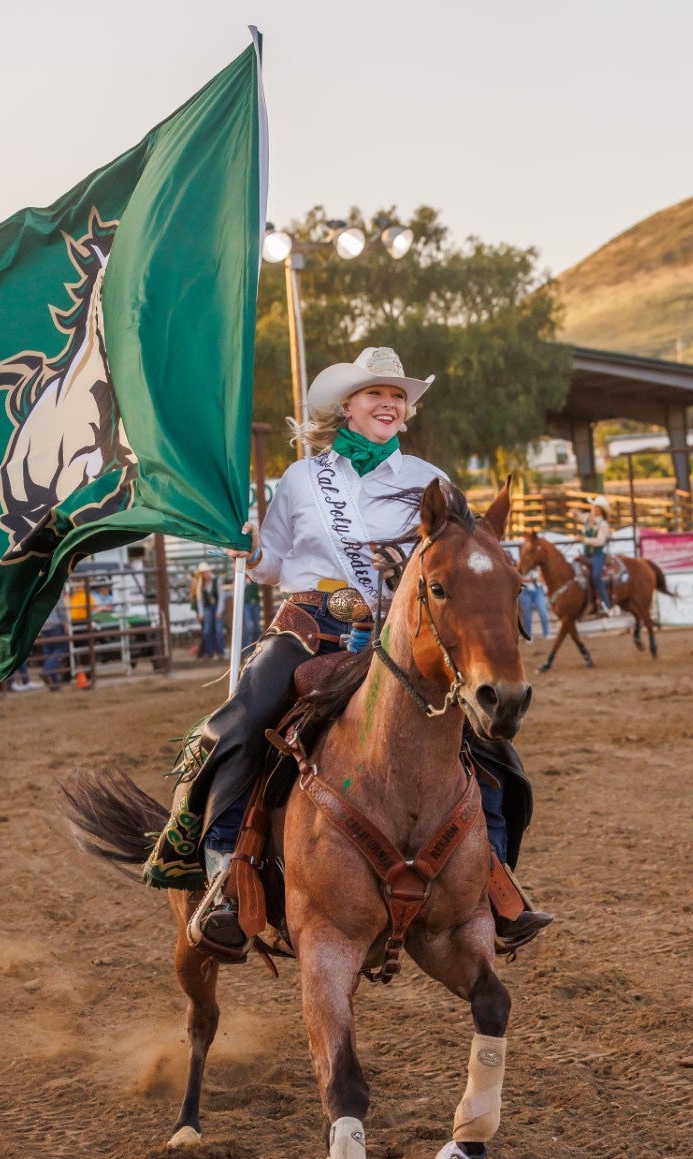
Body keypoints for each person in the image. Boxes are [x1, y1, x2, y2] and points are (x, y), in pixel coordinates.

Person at [144, 347, 549, 954]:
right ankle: (224, 871)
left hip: (402, 638)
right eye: (374, 394)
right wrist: (246, 547)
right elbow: (270, 565)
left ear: (405, 414)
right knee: (243, 719)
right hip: (310, 626)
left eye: (396, 397)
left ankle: (493, 883)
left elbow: (465, 553)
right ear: (348, 408)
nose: (388, 403)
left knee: (493, 747)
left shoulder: (429, 481)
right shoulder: (304, 479)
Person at [582, 496, 612, 614]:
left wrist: (585, 540)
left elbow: (600, 541)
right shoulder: (591, 520)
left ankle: (605, 603)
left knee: (595, 576)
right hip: (587, 554)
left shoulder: (603, 524)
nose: (592, 508)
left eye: (595, 506)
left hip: (598, 554)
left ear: (600, 509)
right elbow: (582, 517)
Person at [194, 562, 225, 660]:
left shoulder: (217, 580)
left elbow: (221, 597)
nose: (205, 574)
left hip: (215, 607)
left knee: (218, 630)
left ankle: (220, 652)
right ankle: (211, 652)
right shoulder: (201, 584)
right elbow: (200, 600)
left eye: (205, 572)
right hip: (207, 607)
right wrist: (201, 613)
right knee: (207, 631)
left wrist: (219, 611)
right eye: (203, 573)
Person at [40, 596, 70, 689]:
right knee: (60, 648)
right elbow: (60, 607)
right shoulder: (54, 584)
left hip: (43, 625)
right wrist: (65, 622)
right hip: (55, 623)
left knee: (49, 653)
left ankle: (55, 683)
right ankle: (47, 670)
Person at [520, 566, 550, 641]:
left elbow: (544, 577)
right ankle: (528, 635)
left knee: (543, 612)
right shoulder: (521, 565)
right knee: (527, 616)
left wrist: (540, 579)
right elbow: (518, 578)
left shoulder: (538, 566)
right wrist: (529, 580)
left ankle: (547, 633)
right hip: (525, 591)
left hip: (538, 590)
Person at [243, 580, 262, 649]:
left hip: (255, 604)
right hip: (246, 605)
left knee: (257, 627)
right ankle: (245, 649)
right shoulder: (242, 579)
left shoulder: (254, 578)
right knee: (248, 627)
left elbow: (260, 586)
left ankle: (254, 647)